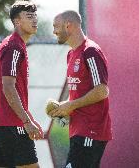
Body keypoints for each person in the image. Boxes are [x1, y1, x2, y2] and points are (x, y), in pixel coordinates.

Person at [49, 10, 112, 168]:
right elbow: (79, 95)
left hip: (91, 130)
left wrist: (71, 105)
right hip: (78, 131)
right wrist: (64, 109)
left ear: (68, 26)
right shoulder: (71, 54)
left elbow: (102, 90)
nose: (54, 31)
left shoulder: (90, 51)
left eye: (56, 26)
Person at [0, 0, 43, 168]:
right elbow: (8, 87)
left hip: (1, 124)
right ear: (17, 21)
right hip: (13, 124)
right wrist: (26, 121)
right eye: (29, 16)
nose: (35, 20)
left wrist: (29, 118)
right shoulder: (14, 46)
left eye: (35, 16)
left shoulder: (15, 44)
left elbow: (14, 90)